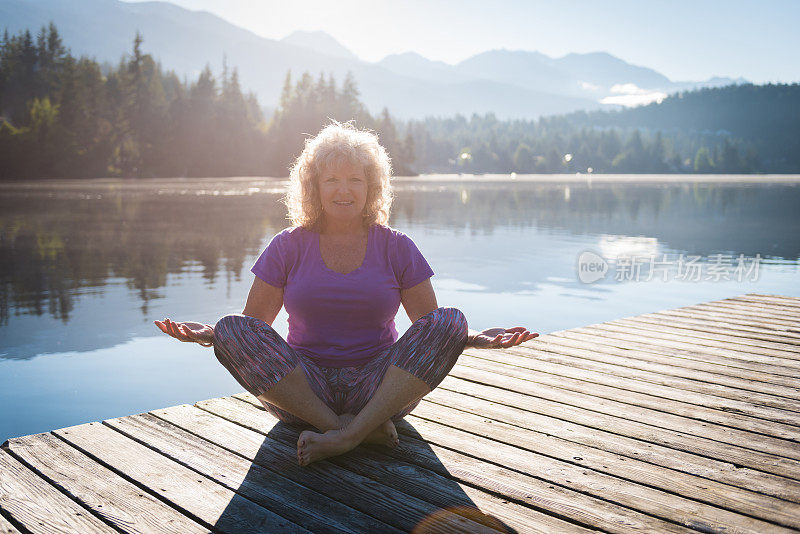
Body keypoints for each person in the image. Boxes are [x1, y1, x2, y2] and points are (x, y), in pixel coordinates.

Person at [155, 122, 537, 466]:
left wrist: (470, 338)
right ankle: (351, 430)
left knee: (451, 319)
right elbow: (254, 329)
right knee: (232, 328)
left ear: (371, 188)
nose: (343, 190)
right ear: (314, 188)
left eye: (355, 179)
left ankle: (346, 434)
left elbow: (431, 329)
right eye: (332, 180)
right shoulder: (287, 246)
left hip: (380, 389)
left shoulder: (397, 247)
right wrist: (214, 335)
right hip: (303, 391)